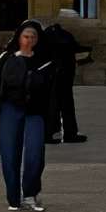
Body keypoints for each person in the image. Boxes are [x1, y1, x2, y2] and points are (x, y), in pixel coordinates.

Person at [0, 19, 54, 212]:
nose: (29, 40)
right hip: (11, 108)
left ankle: (30, 194)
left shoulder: (45, 60)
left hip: (35, 110)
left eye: (33, 37)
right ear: (19, 37)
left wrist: (54, 118)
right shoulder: (7, 58)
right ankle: (14, 198)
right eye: (26, 36)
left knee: (35, 152)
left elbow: (52, 91)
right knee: (9, 152)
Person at [36, 14, 88, 144]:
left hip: (50, 74)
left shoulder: (46, 36)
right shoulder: (67, 35)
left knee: (51, 104)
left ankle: (49, 134)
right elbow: (77, 50)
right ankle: (70, 134)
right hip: (65, 74)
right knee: (67, 105)